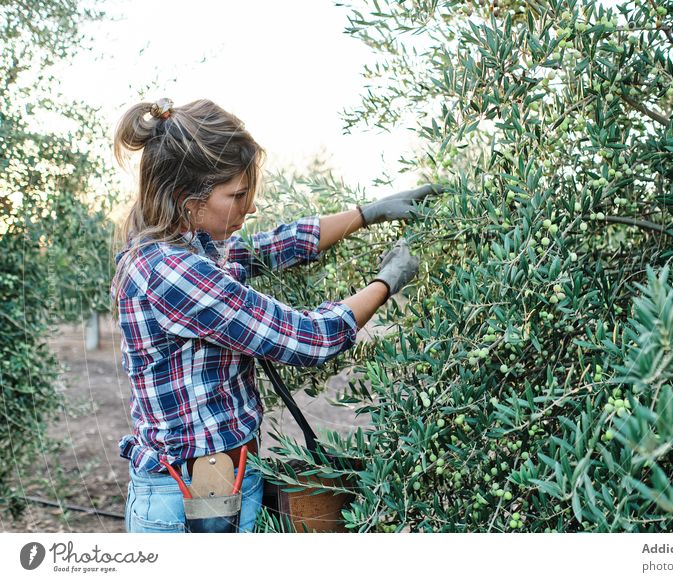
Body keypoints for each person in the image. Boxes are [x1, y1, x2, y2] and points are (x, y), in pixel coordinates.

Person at [111, 97, 441, 532]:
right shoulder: (170, 272)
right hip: (184, 502)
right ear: (187, 200)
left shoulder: (193, 249)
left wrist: (369, 213)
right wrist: (387, 281)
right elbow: (307, 338)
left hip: (222, 486)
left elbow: (270, 247)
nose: (249, 207)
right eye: (237, 195)